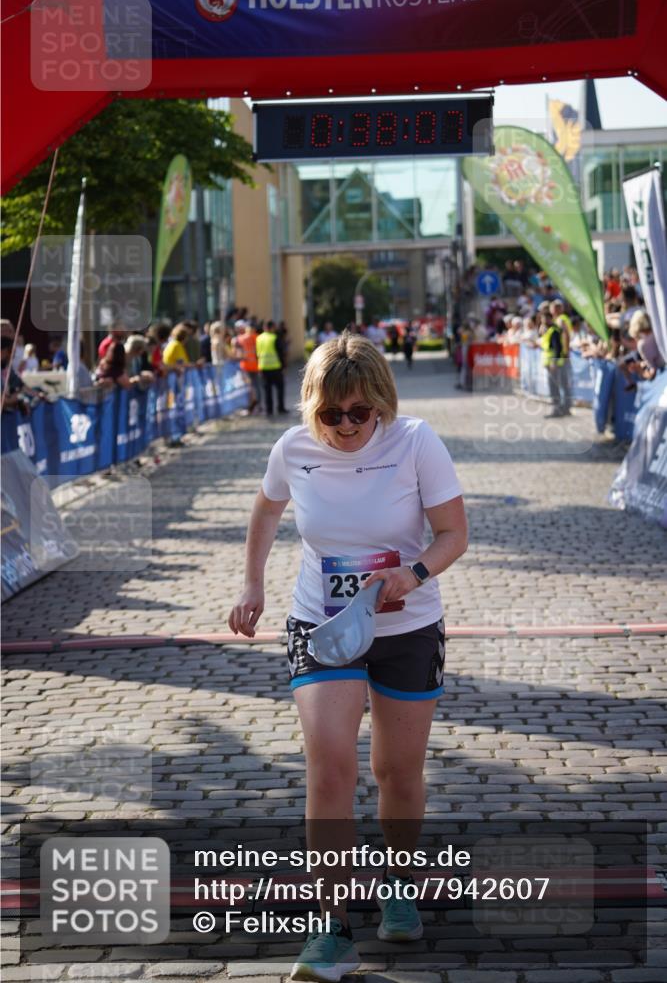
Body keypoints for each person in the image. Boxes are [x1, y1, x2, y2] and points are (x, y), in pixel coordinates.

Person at [228, 332, 467, 982]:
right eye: (330, 413)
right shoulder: (293, 448)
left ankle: (399, 883)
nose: (345, 425)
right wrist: (252, 585)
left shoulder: (415, 442)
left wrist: (412, 574)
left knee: (396, 771)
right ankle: (330, 928)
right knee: (330, 766)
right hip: (321, 622)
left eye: (359, 411)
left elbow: (453, 533)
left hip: (407, 626)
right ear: (312, 407)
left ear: (381, 402)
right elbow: (265, 509)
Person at [538, 303, 566, 417]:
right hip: (550, 363)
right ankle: (558, 408)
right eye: (542, 319)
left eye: (545, 319)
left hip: (553, 364)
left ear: (550, 319)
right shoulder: (548, 330)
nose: (543, 321)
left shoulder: (554, 331)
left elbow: (557, 348)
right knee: (554, 387)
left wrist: (554, 362)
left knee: (554, 387)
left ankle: (557, 409)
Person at [256, 319, 288, 416]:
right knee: (280, 388)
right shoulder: (274, 338)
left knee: (267, 390)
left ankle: (269, 410)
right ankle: (280, 408)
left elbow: (257, 353)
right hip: (275, 367)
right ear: (272, 327)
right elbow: (280, 353)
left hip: (263, 367)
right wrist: (284, 366)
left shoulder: (258, 338)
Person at [236, 320, 261, 413]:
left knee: (248, 387)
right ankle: (259, 405)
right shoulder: (257, 337)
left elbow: (238, 352)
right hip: (256, 365)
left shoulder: (241, 338)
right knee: (257, 385)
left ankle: (250, 406)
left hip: (245, 365)